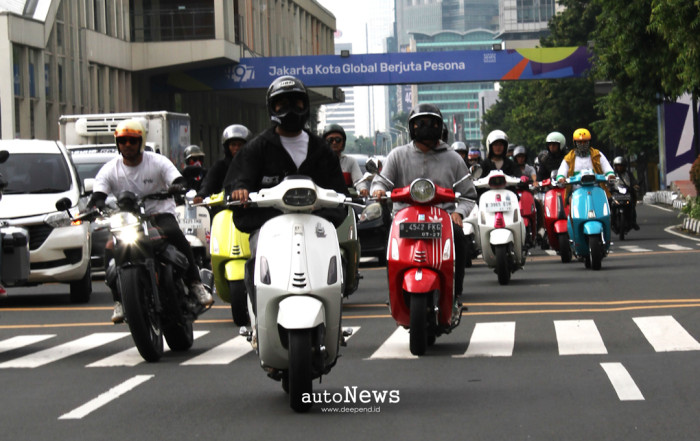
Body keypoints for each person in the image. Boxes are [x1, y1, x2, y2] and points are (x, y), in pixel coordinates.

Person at [224, 75, 348, 310]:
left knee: (336, 258)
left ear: (305, 105)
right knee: (256, 258)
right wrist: (240, 190)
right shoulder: (256, 148)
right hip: (269, 225)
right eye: (282, 103)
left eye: (296, 102)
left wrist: (337, 201)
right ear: (272, 107)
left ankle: (333, 316)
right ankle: (260, 315)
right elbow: (238, 179)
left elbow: (338, 192)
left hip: (315, 223)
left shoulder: (322, 150)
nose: (290, 109)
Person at [88, 119, 214, 323]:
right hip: (128, 220)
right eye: (123, 141)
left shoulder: (157, 162)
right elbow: (98, 195)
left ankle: (194, 283)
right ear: (117, 143)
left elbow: (177, 179)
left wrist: (178, 186)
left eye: (132, 140)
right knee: (111, 247)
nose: (127, 145)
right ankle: (119, 299)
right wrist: (95, 205)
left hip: (159, 214)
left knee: (174, 233)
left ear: (141, 142)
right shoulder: (110, 169)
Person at [370, 103, 477, 301]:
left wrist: (459, 213)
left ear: (440, 126)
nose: (426, 126)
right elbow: (381, 181)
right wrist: (378, 190)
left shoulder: (453, 158)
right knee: (390, 247)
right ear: (412, 127)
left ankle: (455, 291)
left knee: (459, 238)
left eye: (431, 122)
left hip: (442, 218)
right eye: (421, 122)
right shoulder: (397, 155)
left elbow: (468, 195)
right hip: (404, 218)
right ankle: (394, 294)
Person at [193, 124, 251, 204]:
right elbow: (208, 183)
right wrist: (201, 195)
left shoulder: (253, 165)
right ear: (227, 147)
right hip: (224, 207)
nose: (236, 148)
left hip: (251, 206)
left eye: (240, 145)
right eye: (233, 144)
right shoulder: (219, 166)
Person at [556, 128, 615, 192]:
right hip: (575, 192)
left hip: (597, 190)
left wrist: (610, 175)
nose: (582, 144)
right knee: (568, 198)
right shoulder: (569, 157)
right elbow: (562, 170)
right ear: (575, 143)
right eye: (580, 142)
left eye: (585, 142)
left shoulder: (597, 154)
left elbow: (607, 168)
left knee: (608, 198)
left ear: (589, 142)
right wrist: (561, 178)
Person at [323, 123, 369, 197]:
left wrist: (362, 189)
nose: (334, 142)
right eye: (330, 140)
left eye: (338, 140)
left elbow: (358, 180)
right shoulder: (317, 162)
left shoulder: (350, 161)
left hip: (345, 201)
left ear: (343, 142)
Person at [612, 156, 640, 230]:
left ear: (624, 166)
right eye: (618, 165)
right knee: (610, 204)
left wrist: (635, 185)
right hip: (616, 193)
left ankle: (633, 221)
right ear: (615, 166)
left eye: (621, 165)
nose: (619, 167)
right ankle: (611, 221)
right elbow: (608, 182)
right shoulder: (612, 174)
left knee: (631, 205)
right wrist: (607, 188)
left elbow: (633, 181)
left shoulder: (628, 174)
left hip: (626, 193)